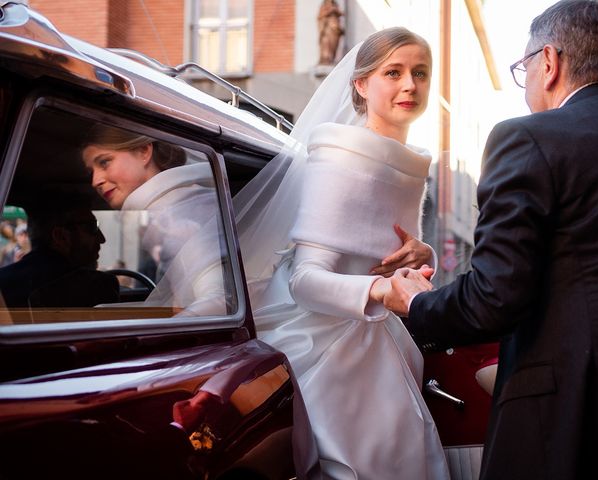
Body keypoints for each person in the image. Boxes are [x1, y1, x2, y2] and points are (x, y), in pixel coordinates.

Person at [382, 1, 598, 479]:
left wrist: (419, 303)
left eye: (523, 67)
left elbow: (495, 297)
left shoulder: (528, 138)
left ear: (549, 62)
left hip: (573, 419)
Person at [234, 27, 448, 479]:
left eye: (421, 73)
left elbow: (395, 251)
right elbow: (305, 281)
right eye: (394, 72)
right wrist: (378, 289)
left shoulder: (410, 159)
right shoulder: (342, 156)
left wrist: (421, 251)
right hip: (326, 342)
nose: (411, 84)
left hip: (379, 335)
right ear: (361, 84)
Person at [82, 126, 229, 316]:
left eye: (104, 162)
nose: (95, 180)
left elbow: (220, 301)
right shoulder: (165, 208)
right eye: (90, 171)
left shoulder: (178, 212)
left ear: (144, 151)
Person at [0, 204, 119, 308]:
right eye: (92, 227)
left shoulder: (3, 281)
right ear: (60, 236)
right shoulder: (98, 285)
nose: (102, 238)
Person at [317, 0, 344, 66]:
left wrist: (335, 10)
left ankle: (332, 59)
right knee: (326, 44)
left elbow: (341, 13)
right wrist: (329, 11)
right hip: (327, 28)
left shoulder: (335, 4)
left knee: (334, 45)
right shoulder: (323, 5)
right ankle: (325, 60)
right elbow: (320, 16)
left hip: (334, 29)